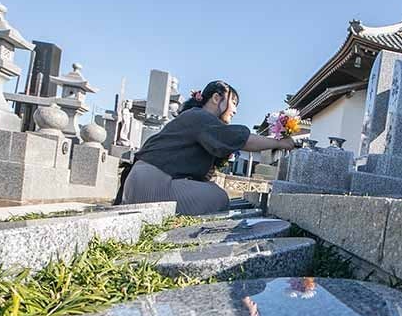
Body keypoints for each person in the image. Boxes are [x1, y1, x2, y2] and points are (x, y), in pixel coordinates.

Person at [117, 80, 296, 215]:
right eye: (233, 102)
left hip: (140, 182)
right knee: (219, 197)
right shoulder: (201, 117)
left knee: (210, 189)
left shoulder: (193, 117)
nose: (234, 110)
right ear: (216, 98)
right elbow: (244, 140)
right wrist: (280, 142)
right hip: (150, 186)